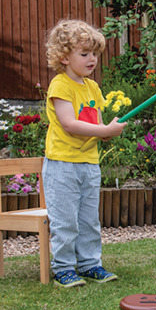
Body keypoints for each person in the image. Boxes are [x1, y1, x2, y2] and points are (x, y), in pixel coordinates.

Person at [43, 19, 127, 287]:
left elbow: (97, 124)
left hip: (89, 164)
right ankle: (64, 268)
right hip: (62, 165)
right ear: (64, 57)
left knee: (89, 220)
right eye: (85, 54)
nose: (92, 59)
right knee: (65, 221)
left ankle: (90, 264)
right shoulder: (60, 86)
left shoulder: (93, 88)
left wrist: (108, 129)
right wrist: (104, 131)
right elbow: (69, 124)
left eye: (95, 54)